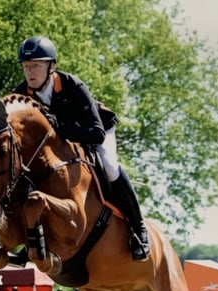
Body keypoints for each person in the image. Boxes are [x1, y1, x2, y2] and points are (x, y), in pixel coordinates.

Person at [13, 35, 150, 261]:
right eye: (26, 67)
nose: (30, 72)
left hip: (98, 130)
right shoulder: (21, 94)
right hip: (63, 141)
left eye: (36, 65)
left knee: (110, 166)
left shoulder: (72, 85)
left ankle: (139, 228)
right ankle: (33, 241)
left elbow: (95, 132)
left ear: (51, 66)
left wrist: (61, 128)